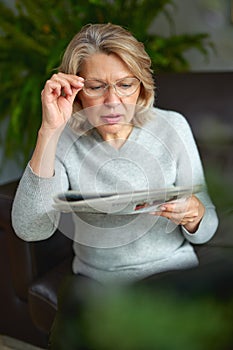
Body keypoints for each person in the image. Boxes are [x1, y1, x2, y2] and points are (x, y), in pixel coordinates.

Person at [12, 23, 218, 286]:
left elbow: (207, 229)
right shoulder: (63, 139)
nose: (113, 101)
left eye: (125, 85)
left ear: (141, 86)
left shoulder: (173, 127)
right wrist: (49, 131)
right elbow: (31, 229)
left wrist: (195, 215)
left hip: (172, 273)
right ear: (76, 91)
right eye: (96, 87)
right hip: (98, 283)